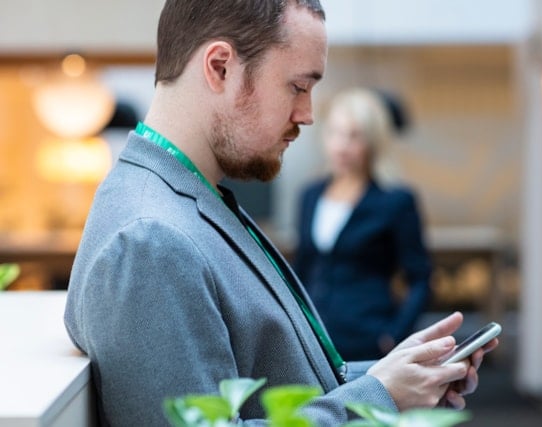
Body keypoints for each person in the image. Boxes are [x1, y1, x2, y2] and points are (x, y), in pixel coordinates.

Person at [63, 1, 498, 426]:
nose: (308, 116)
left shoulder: (186, 198)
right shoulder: (149, 241)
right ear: (220, 68)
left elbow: (277, 381)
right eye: (298, 86)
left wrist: (389, 376)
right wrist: (377, 398)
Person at [293, 88, 432, 361]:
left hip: (368, 338)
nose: (341, 145)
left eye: (354, 136)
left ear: (373, 142)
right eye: (334, 133)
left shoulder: (395, 200)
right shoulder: (310, 195)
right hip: (314, 337)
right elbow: (303, 267)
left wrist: (394, 335)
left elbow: (420, 278)